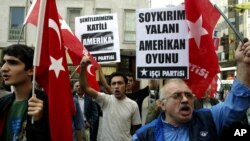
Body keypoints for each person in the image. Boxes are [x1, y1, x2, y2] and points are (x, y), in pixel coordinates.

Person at [132, 40, 250, 141]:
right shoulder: (144, 135)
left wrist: (243, 64)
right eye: (177, 96)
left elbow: (235, 105)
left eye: (188, 95)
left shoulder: (209, 119)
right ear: (162, 104)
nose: (184, 100)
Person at [79, 57, 142, 141]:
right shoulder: (105, 100)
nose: (116, 86)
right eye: (113, 84)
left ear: (126, 86)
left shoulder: (133, 105)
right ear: (111, 87)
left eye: (120, 83)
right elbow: (85, 88)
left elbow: (136, 128)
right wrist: (82, 68)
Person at [0, 44, 50, 141]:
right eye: (4, 62)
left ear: (31, 70)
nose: (4, 68)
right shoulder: (2, 103)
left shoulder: (47, 103)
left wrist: (39, 122)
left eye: (13, 63)